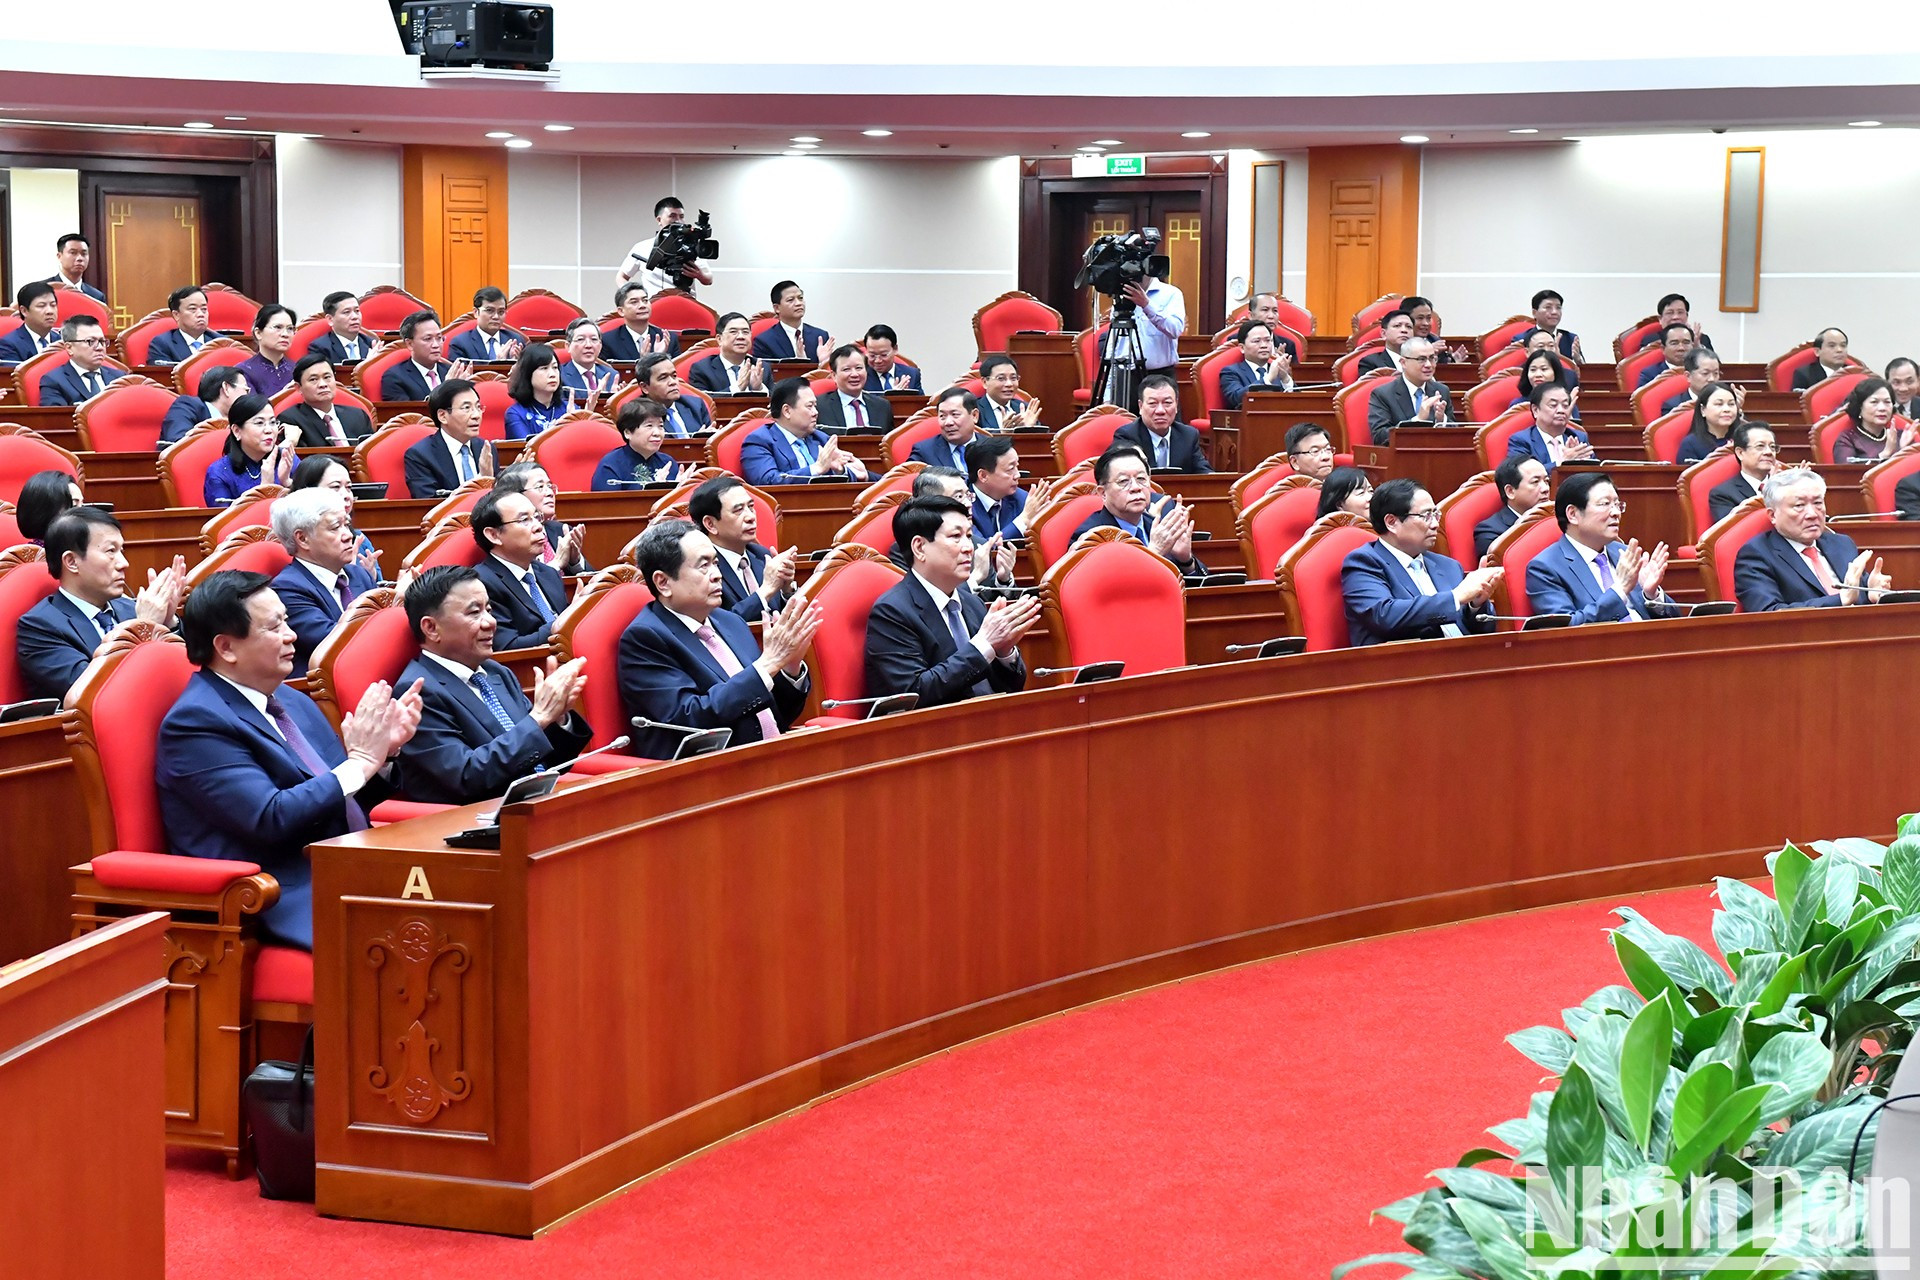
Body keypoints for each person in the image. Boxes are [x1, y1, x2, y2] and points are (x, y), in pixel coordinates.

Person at [156, 570, 421, 950]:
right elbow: (270, 818)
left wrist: (383, 757)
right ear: (226, 647)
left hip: (353, 862)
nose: (291, 635)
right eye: (274, 627)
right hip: (281, 889)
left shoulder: (291, 700)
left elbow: (341, 794)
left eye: (286, 620)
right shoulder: (195, 723)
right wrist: (360, 762)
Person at [617, 520, 817, 757]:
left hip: (770, 758)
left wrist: (790, 669)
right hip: (706, 771)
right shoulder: (645, 638)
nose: (717, 575)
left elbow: (773, 715)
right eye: (704, 566)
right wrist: (768, 664)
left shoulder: (731, 622)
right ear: (663, 582)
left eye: (716, 563)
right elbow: (690, 719)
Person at [396, 565, 592, 804]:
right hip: (474, 819)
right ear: (431, 628)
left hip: (532, 805)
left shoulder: (497, 673)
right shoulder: (417, 692)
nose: (490, 622)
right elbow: (465, 777)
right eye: (474, 613)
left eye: (488, 610)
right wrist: (539, 718)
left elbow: (543, 760)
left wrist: (557, 719)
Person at [863, 493, 1038, 707]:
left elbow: (1010, 687)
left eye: (969, 535)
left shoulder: (972, 603)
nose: (969, 547)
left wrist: (1004, 653)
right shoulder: (892, 612)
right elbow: (914, 693)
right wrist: (984, 644)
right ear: (919, 547)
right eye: (956, 536)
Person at [15, 507, 183, 701]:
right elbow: (97, 694)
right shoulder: (40, 627)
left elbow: (186, 672)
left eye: (122, 550)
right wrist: (142, 628)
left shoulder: (131, 607)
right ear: (71, 562)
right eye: (111, 551)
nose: (124, 563)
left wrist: (169, 623)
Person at [1341, 478, 1500, 646]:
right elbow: (1384, 615)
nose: (1435, 525)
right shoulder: (1364, 563)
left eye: (1436, 515)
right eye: (1426, 516)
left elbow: (1485, 631)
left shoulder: (1449, 566)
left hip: (1466, 656)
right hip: (1407, 659)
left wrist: (1475, 605)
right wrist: (1455, 597)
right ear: (1391, 522)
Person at [1524, 473, 1679, 624]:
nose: (1616, 513)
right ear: (1573, 514)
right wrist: (1620, 589)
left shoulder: (1624, 553)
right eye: (1605, 504)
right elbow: (1567, 627)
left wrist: (1651, 595)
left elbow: (1676, 621)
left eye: (1617, 505)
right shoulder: (1545, 568)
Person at [1734, 467, 1889, 611]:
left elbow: (1855, 595)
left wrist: (1871, 592)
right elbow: (1769, 613)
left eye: (1817, 503)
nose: (1812, 514)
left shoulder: (1841, 544)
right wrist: (1841, 599)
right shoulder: (1756, 555)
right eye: (1799, 505)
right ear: (1773, 515)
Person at [267, 488, 376, 672]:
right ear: (303, 539)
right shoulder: (287, 589)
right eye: (335, 527)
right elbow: (336, 645)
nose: (348, 535)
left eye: (346, 524)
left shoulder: (360, 575)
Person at [1070, 447, 1207, 578]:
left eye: (1141, 479)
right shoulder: (1091, 536)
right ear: (1103, 493)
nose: (1135, 487)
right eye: (1123, 481)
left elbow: (1202, 588)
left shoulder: (1160, 528)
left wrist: (1186, 561)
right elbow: (1103, 589)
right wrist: (1154, 552)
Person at [470, 489, 569, 650]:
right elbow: (509, 647)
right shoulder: (481, 584)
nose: (538, 527)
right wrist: (567, 618)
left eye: (536, 517)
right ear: (494, 535)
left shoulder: (548, 573)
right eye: (524, 520)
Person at [691, 475, 797, 622]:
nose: (750, 517)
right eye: (738, 510)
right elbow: (718, 625)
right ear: (710, 524)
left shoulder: (762, 555)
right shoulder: (701, 569)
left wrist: (786, 591)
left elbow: (782, 616)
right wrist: (765, 591)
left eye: (751, 507)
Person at [740, 378, 870, 486]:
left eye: (815, 406)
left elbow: (852, 477)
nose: (816, 412)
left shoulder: (820, 438)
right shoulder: (759, 441)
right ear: (787, 411)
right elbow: (768, 481)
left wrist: (840, 471)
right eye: (809, 406)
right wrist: (816, 469)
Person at [492, 462, 590, 576]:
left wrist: (575, 562)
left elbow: (595, 582)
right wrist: (555, 565)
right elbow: (524, 582)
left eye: (549, 486)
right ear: (515, 495)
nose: (550, 493)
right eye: (540, 487)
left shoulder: (561, 531)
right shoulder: (511, 538)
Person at [403, 379, 496, 499]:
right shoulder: (420, 455)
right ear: (442, 416)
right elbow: (428, 502)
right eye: (466, 408)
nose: (476, 415)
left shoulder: (486, 449)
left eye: (478, 407)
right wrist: (482, 481)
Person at [289, 455, 380, 573]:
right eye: (336, 487)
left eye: (348, 487)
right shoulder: (293, 544)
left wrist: (369, 577)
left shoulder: (359, 539)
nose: (346, 495)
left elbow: (377, 583)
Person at [203, 395, 297, 506]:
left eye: (272, 422)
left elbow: (309, 510)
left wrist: (287, 482)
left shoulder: (287, 459)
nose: (269, 430)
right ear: (237, 431)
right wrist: (265, 489)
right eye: (259, 423)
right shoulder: (219, 472)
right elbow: (224, 516)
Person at [615, 196, 714, 295]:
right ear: (659, 220)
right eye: (672, 216)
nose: (678, 221)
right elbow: (621, 277)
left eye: (681, 216)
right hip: (653, 303)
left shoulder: (691, 246)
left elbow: (708, 279)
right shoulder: (642, 247)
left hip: (685, 301)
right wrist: (634, 296)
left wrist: (699, 275)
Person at [1114, 374, 1211, 473]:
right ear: (1141, 406)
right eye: (1152, 403)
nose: (1160, 411)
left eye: (1167, 403)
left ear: (1176, 405)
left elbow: (1205, 473)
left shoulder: (1188, 435)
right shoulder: (1127, 436)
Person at [1100, 272, 1186, 381]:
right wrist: (1109, 385)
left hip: (1158, 376)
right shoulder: (1122, 296)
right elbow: (1114, 342)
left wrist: (1146, 305)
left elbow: (1175, 330)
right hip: (1125, 375)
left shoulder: (1171, 293)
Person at [1367, 338, 1454, 444]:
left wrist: (1441, 420)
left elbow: (1455, 434)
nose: (1428, 365)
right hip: (1400, 453)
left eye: (1432, 358)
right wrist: (1418, 421)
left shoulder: (1441, 391)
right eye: (1421, 359)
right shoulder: (1383, 394)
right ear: (1403, 363)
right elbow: (1380, 437)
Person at [967, 434, 1053, 541]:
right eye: (1010, 469)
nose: (1018, 475)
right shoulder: (962, 505)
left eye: (1017, 467)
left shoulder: (1021, 498)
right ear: (983, 476)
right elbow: (982, 548)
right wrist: (1023, 520)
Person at [279, 352, 374, 447]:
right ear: (298, 388)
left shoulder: (357, 415)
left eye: (327, 377)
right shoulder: (290, 420)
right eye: (313, 379)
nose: (323, 384)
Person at [592, 398, 682, 490]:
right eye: (649, 426)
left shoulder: (667, 462)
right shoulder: (611, 465)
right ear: (628, 433)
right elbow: (607, 499)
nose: (657, 433)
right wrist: (655, 492)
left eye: (661, 426)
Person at [381, 311, 471, 402]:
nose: (436, 345)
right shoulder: (395, 377)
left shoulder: (452, 372)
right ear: (410, 344)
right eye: (428, 339)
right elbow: (407, 411)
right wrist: (446, 389)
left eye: (439, 338)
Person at [1474, 456, 1550, 560]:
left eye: (1546, 481)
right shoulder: (1490, 531)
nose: (1546, 489)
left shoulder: (1558, 520)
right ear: (1510, 491)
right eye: (1535, 482)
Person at [38, 316, 125, 406]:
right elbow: (56, 414)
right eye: (90, 341)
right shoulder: (54, 381)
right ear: (69, 348)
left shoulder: (120, 378)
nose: (99, 347)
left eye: (102, 341)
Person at [1505, 384, 1593, 472]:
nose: (1561, 410)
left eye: (1565, 405)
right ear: (1535, 410)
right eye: (1553, 405)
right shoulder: (1521, 440)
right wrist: (1562, 462)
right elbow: (1519, 474)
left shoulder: (1579, 437)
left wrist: (1583, 464)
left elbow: (1595, 473)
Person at [1707, 422, 1779, 523]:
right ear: (1740, 453)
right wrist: (1769, 491)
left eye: (1772, 447)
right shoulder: (1723, 494)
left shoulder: (1786, 487)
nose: (1769, 452)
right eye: (1760, 446)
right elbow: (1733, 529)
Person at [813, 344, 893, 433]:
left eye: (859, 368)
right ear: (834, 376)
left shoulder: (882, 406)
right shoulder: (819, 406)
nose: (854, 374)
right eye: (846, 369)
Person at [160, 365, 248, 445]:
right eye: (246, 390)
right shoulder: (187, 405)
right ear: (226, 388)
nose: (248, 396)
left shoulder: (242, 419)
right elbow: (177, 443)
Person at [687, 312, 769, 397]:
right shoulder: (703, 369)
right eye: (733, 332)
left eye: (745, 332)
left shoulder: (761, 368)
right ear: (719, 339)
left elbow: (776, 400)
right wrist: (737, 389)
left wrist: (759, 389)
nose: (741, 337)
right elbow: (701, 401)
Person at [1831, 378, 1911, 464]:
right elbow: (1846, 471)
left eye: (1887, 402)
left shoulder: (1901, 437)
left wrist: (1904, 450)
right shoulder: (1847, 439)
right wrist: (1885, 454)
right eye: (1874, 402)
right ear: (1859, 407)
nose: (1882, 408)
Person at [633, 353, 712, 437]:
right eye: (663, 378)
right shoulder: (637, 415)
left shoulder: (696, 405)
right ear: (645, 387)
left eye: (674, 376)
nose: (673, 382)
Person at [753, 281, 832, 363]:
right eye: (790, 300)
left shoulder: (820, 336)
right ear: (777, 308)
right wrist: (802, 364)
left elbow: (829, 370)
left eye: (800, 298)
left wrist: (823, 364)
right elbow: (765, 371)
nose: (798, 303)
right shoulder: (764, 341)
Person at [1219, 320, 1296, 405]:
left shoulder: (1279, 370)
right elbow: (1236, 398)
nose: (1264, 345)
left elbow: (1299, 404)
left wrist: (1285, 379)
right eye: (1256, 341)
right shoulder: (1231, 372)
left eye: (1268, 340)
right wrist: (1268, 379)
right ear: (1242, 348)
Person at [504, 345, 573, 439]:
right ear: (528, 373)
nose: (552, 374)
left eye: (555, 367)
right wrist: (558, 429)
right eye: (544, 368)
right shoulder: (516, 414)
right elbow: (527, 446)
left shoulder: (570, 409)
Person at [599, 283, 680, 362]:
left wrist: (659, 357)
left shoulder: (668, 339)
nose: (642, 306)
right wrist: (645, 361)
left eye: (645, 300)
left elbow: (675, 370)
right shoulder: (608, 341)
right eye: (634, 302)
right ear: (621, 311)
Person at [911, 386, 984, 470]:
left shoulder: (992, 448)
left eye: (955, 414)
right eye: (942, 416)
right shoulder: (924, 452)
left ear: (974, 415)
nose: (948, 422)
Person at [447, 286, 525, 364]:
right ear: (476, 312)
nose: (496, 317)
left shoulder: (516, 340)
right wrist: (499, 364)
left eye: (501, 312)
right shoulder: (460, 343)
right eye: (489, 310)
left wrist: (518, 364)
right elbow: (459, 371)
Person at [234, 304, 299, 397]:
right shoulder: (243, 372)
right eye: (278, 327)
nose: (285, 334)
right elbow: (250, 405)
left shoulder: (299, 370)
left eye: (290, 328)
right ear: (258, 333)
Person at [1676, 381, 1744, 466]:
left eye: (1731, 404)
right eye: (1719, 404)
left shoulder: (1745, 440)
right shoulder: (1690, 444)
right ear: (1703, 410)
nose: (1727, 409)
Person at [146, 285, 218, 364]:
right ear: (176, 315)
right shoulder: (163, 344)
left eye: (204, 309)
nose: (200, 314)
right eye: (193, 309)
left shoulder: (220, 342)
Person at [0, 281, 63, 366]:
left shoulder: (62, 341)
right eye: (41, 306)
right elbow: (15, 373)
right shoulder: (9, 344)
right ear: (24, 311)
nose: (50, 311)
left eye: (53, 305)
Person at [15, 470, 84, 544]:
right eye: (74, 505)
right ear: (44, 510)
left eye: (83, 505)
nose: (84, 512)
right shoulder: (38, 551)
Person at [558, 318, 619, 401]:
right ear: (568, 346)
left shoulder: (612, 375)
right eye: (580, 339)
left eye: (594, 339)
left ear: (600, 345)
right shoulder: (559, 376)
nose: (588, 345)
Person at [1512, 349, 1582, 420]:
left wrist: (1567, 412)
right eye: (1533, 370)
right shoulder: (1518, 404)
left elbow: (1573, 426)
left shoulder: (1566, 403)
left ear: (1555, 372)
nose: (1538, 374)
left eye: (1544, 369)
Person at [977, 354, 1040, 430]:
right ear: (985, 382)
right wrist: (1004, 432)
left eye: (1013, 378)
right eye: (1001, 378)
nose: (1009, 384)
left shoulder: (1026, 409)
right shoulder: (974, 410)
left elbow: (1042, 436)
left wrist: (1028, 429)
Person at [1401, 296, 1471, 363]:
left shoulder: (1433, 339)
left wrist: (1452, 360)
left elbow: (1441, 367)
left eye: (1428, 318)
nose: (1426, 323)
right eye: (1420, 318)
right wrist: (1428, 351)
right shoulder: (1400, 340)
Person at [310, 291, 373, 365]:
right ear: (330, 319)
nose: (355, 317)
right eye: (346, 312)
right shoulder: (321, 347)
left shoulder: (371, 343)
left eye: (357, 311)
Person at [1639, 293, 1715, 354]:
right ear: (1660, 319)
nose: (1675, 317)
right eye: (1670, 313)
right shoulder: (1650, 340)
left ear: (1687, 316)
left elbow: (1715, 366)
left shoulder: (1702, 339)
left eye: (1680, 312)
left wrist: (1697, 347)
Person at [1661, 347, 1726, 417]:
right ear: (1688, 376)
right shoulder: (1674, 407)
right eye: (1705, 373)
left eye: (1716, 373)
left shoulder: (1726, 402)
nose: (1712, 379)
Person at [1520, 289, 1581, 361]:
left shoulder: (1570, 338)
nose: (1554, 312)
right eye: (1548, 307)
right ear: (1534, 313)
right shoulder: (1521, 339)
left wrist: (1578, 362)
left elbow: (1582, 366)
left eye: (1558, 308)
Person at [862, 325, 922, 393]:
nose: (877, 361)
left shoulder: (912, 374)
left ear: (895, 349)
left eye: (883, 355)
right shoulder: (861, 376)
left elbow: (921, 399)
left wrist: (903, 396)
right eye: (872, 355)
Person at [1791, 327, 1854, 391]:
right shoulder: (1804, 374)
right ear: (1817, 352)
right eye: (1832, 346)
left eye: (1843, 345)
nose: (1839, 350)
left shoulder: (1854, 373)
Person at [1635, 323, 1695, 389]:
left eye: (1686, 343)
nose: (1681, 348)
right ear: (1663, 349)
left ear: (1693, 346)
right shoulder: (1650, 374)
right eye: (1674, 343)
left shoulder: (1701, 371)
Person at [48, 234, 105, 303]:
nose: (79, 258)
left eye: (84, 254)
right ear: (59, 256)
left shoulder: (96, 296)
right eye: (73, 253)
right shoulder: (44, 290)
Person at [1355, 310, 1415, 376]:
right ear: (1384, 334)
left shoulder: (1422, 360)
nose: (1404, 330)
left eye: (1409, 327)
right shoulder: (1371, 362)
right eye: (1397, 326)